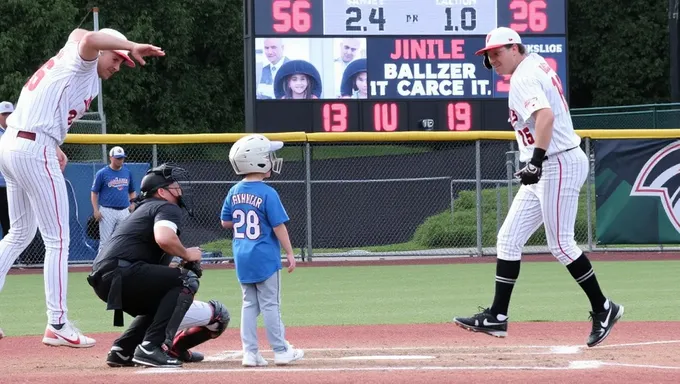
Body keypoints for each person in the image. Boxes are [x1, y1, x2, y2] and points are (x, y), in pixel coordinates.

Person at [452, 27, 624, 348]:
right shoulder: (535, 64)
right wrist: (536, 162)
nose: (493, 60)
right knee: (508, 238)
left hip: (556, 163)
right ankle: (497, 316)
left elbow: (545, 118)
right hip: (550, 163)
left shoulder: (523, 78)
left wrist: (536, 162)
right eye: (489, 55)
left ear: (515, 48)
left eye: (498, 52)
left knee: (560, 244)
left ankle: (604, 308)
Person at [0, 27, 164, 346]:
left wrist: (55, 143)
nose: (118, 66)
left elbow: (79, 31)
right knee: (58, 239)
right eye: (115, 58)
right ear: (102, 50)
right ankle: (57, 323)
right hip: (33, 148)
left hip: (14, 143)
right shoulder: (83, 61)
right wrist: (130, 44)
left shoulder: (73, 59)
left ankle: (55, 322)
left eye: (122, 62)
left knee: (19, 234)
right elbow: (89, 38)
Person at [88, 163, 230, 368]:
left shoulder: (144, 209)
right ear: (161, 192)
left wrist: (180, 259)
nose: (179, 189)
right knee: (186, 280)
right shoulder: (166, 207)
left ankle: (123, 350)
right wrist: (187, 252)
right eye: (174, 185)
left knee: (162, 295)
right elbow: (164, 238)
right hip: (121, 273)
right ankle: (151, 348)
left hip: (107, 278)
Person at [222, 134, 304, 367]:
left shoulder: (234, 191)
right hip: (265, 257)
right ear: (258, 161)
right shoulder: (268, 193)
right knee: (270, 304)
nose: (272, 159)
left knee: (249, 304)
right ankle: (280, 350)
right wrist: (289, 252)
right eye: (268, 155)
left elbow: (226, 222)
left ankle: (250, 353)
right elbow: (279, 225)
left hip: (242, 255)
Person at [91, 146, 137, 255]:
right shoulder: (102, 173)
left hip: (124, 210)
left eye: (122, 158)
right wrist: (96, 210)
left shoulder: (127, 172)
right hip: (107, 211)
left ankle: (120, 265)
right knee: (105, 242)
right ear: (110, 158)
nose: (120, 160)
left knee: (124, 239)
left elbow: (132, 191)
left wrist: (132, 203)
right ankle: (99, 267)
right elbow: (94, 192)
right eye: (118, 158)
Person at [0, 101, 13, 239]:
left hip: (10, 185)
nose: (7, 117)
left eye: (10, 114)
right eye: (4, 114)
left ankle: (12, 259)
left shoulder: (17, 132)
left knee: (9, 224)